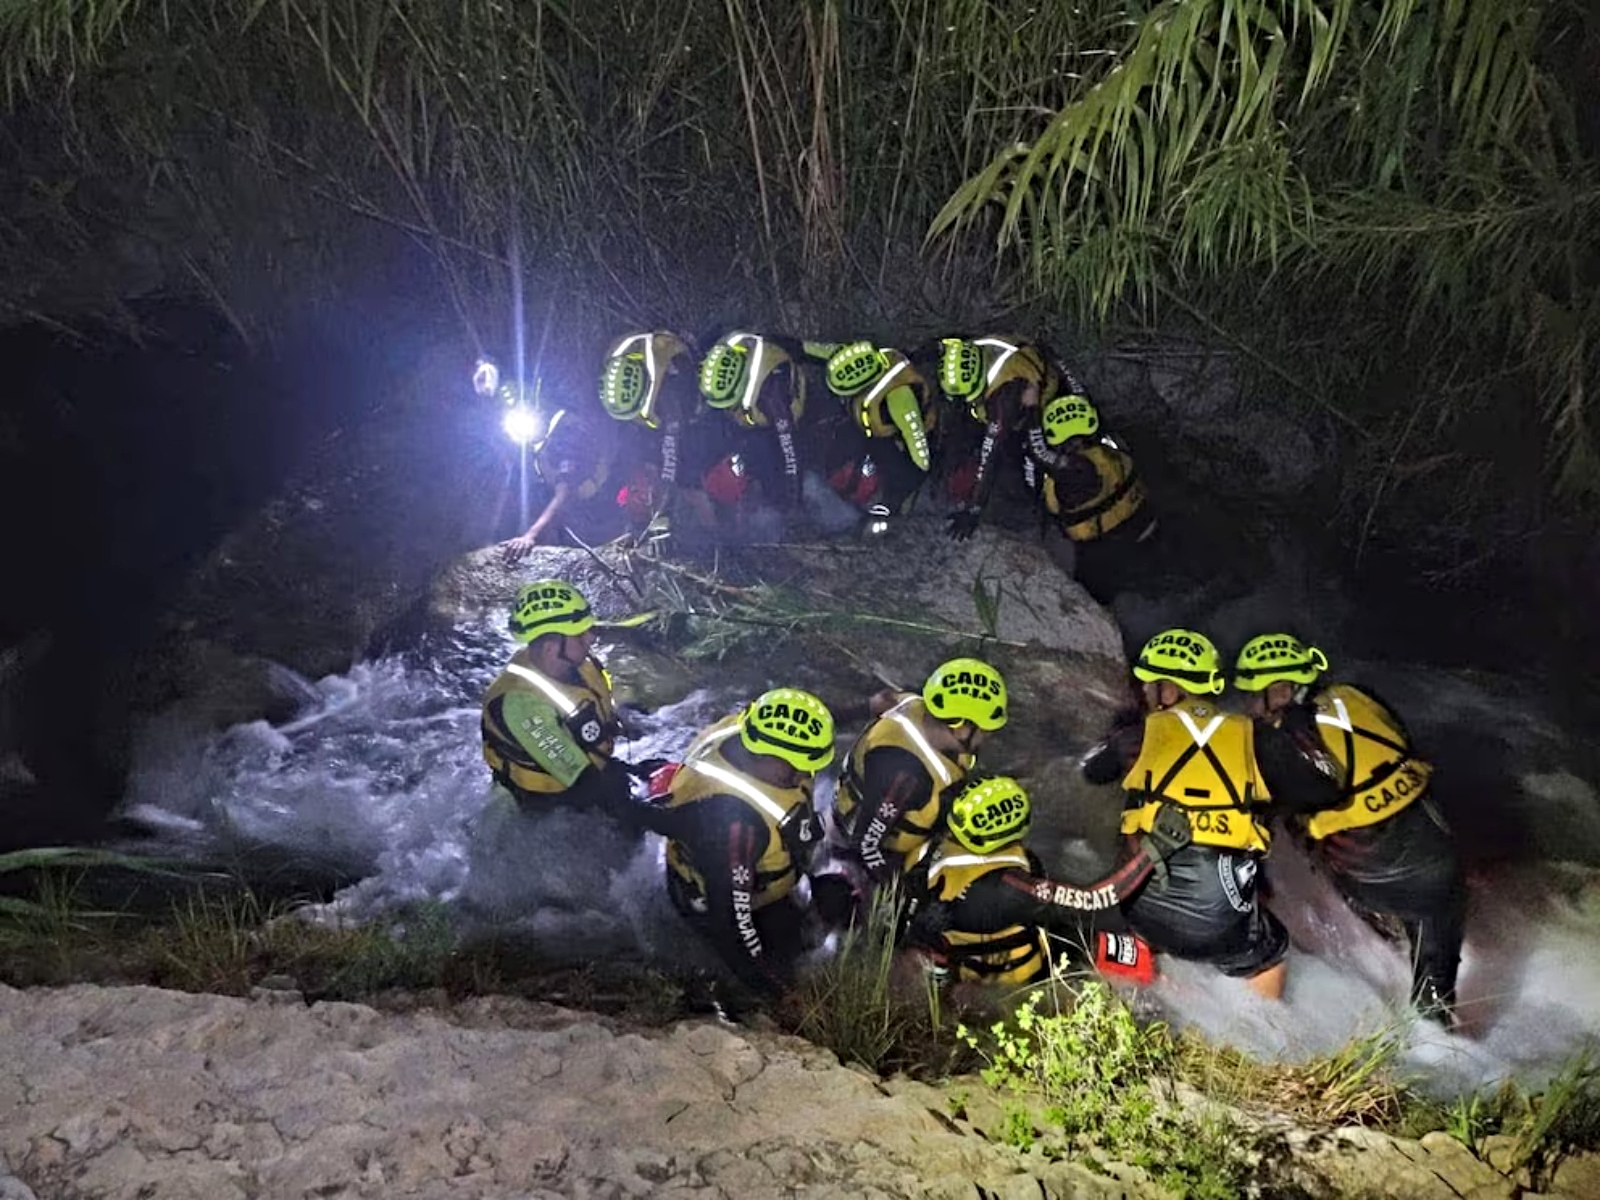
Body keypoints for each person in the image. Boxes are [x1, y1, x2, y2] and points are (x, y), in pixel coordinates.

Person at [1082, 629, 1340, 1000]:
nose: (1144, 693)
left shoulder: (1138, 734)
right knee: (1269, 954)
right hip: (1220, 919)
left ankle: (1125, 995)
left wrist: (1121, 737)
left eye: (1150, 685)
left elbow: (1092, 771)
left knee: (1134, 900)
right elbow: (1324, 791)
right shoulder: (1256, 737)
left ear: (1167, 690)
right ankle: (1261, 1025)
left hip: (1143, 909)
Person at [1233, 633, 1466, 1025]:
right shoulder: (1354, 695)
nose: (1251, 706)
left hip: (1376, 874)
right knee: (1434, 978)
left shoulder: (1284, 739)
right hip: (1440, 858)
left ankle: (1374, 934)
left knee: (1289, 818)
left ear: (1283, 690)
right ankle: (1437, 1031)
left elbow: (1312, 786)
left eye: (1256, 695)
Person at [903, 775, 1191, 988]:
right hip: (1012, 974)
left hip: (962, 950)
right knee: (1088, 941)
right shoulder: (1008, 888)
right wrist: (1153, 851)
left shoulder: (930, 850)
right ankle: (1168, 984)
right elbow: (1093, 898)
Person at [656, 687, 835, 993]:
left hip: (749, 867)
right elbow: (730, 922)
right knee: (784, 953)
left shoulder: (743, 729)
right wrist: (772, 989)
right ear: (764, 754)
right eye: (796, 765)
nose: (804, 774)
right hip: (724, 897)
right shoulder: (734, 824)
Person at [819, 657, 1007, 923]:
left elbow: (868, 706)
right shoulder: (905, 774)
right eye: (985, 730)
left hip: (876, 809)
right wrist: (906, 894)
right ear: (961, 727)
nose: (988, 736)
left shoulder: (909, 703)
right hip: (865, 847)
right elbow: (866, 844)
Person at [480, 579, 640, 820]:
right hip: (546, 801)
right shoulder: (521, 704)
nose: (591, 638)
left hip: (590, 767)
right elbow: (582, 779)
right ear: (550, 648)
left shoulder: (578, 663)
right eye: (580, 635)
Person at [1025, 390, 1157, 602]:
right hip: (1144, 525)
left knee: (1094, 597)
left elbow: (1039, 453)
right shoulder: (1111, 447)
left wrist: (1032, 412)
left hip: (1103, 550)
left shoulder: (1078, 472)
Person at [936, 335, 1060, 540]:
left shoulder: (1003, 400)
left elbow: (990, 453)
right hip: (1019, 368)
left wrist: (974, 508)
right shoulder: (966, 353)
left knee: (1027, 457)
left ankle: (1039, 513)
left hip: (1037, 396)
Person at [811, 340, 942, 532]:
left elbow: (920, 458)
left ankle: (896, 507)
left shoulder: (899, 400)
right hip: (869, 428)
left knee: (902, 477)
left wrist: (891, 503)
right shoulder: (858, 359)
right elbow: (817, 350)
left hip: (900, 438)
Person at [693, 331, 807, 540]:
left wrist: (793, 502)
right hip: (746, 418)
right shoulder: (718, 364)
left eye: (728, 403)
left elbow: (791, 453)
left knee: (766, 456)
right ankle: (725, 512)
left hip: (778, 419)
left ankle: (773, 506)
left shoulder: (771, 396)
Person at [597, 331, 704, 535]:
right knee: (639, 454)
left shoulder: (672, 400)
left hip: (688, 411)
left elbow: (670, 463)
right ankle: (635, 518)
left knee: (686, 473)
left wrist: (659, 516)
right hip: (651, 379)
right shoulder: (616, 366)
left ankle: (706, 527)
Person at [500, 406, 623, 562]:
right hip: (570, 505)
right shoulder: (552, 432)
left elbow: (564, 494)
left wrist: (531, 536)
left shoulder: (568, 443)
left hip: (593, 515)